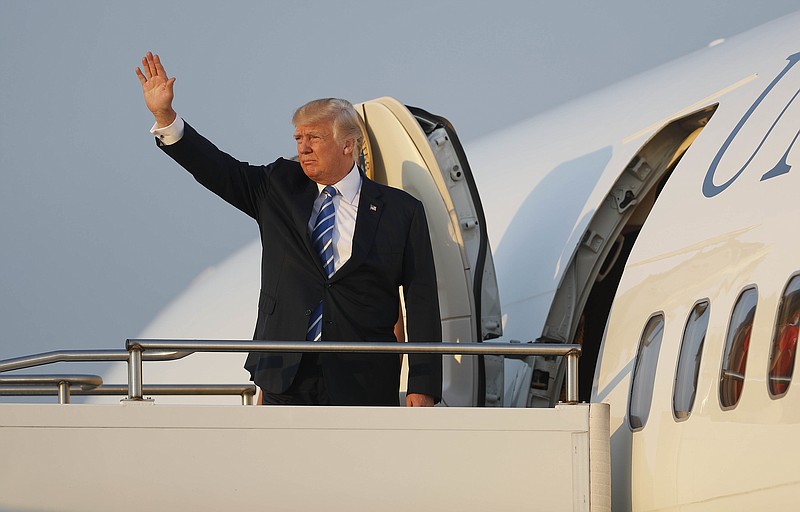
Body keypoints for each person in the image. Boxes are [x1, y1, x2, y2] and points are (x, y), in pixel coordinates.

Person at [135, 52, 442, 406]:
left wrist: (424, 385)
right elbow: (217, 169)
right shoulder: (277, 187)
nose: (303, 147)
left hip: (364, 377)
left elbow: (422, 301)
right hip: (285, 370)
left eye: (314, 137)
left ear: (348, 144)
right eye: (298, 138)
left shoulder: (400, 210)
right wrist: (166, 118)